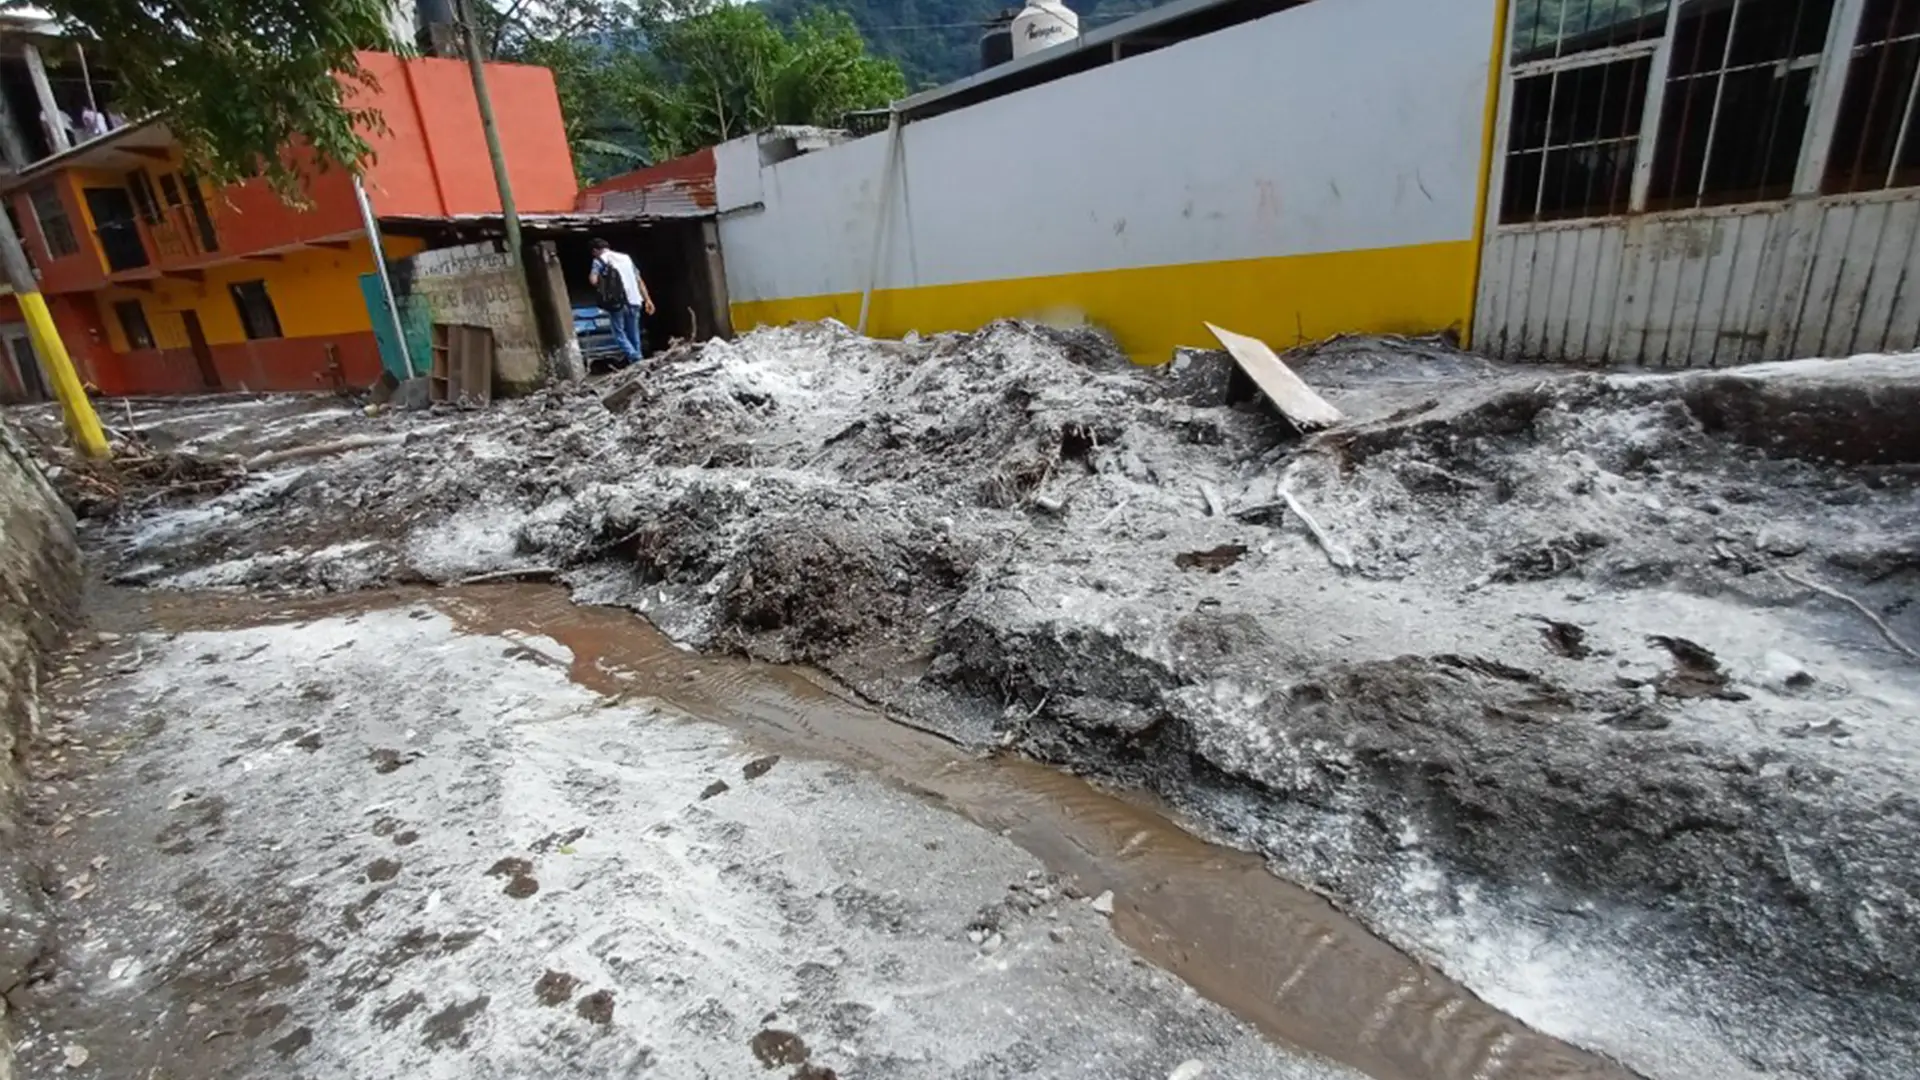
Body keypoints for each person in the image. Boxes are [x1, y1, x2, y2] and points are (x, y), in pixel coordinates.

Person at [588, 238, 654, 366]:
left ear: (595, 251)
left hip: (617, 301)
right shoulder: (626, 258)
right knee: (633, 333)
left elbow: (593, 280)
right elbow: (639, 280)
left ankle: (635, 357)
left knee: (619, 333)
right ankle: (638, 362)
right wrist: (648, 299)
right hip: (635, 299)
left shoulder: (599, 260)